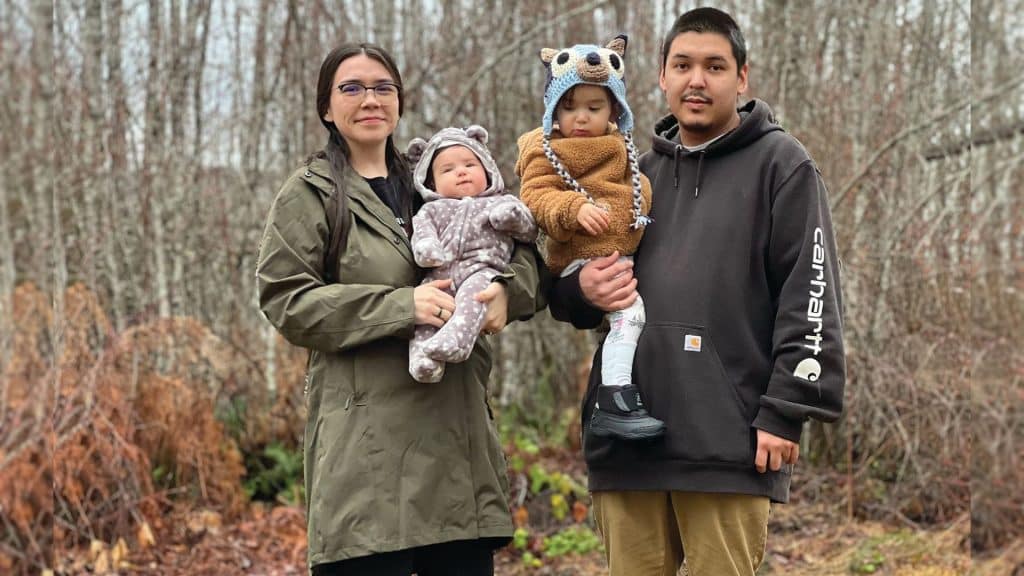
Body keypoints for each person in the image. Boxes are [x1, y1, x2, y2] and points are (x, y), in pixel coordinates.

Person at [548, 8, 846, 576]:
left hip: (727, 445)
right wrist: (581, 287)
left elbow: (811, 297)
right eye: (682, 65)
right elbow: (566, 284)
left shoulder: (782, 166)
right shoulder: (631, 172)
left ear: (742, 78)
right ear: (661, 76)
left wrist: (785, 411)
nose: (697, 80)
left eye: (714, 66)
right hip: (626, 441)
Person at [255, 42, 545, 576]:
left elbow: (525, 252)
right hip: (365, 465)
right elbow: (285, 299)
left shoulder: (436, 177)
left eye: (383, 87)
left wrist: (507, 290)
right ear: (326, 107)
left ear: (399, 101)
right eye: (352, 88)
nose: (370, 99)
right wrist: (398, 306)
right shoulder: (312, 193)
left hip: (455, 455)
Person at [516, 35, 664, 441]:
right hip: (585, 255)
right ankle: (614, 397)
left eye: (593, 108)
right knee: (630, 316)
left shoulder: (623, 147)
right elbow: (536, 196)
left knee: (623, 325)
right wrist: (573, 209)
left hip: (620, 253)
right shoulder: (546, 149)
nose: (580, 118)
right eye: (568, 107)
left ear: (615, 110)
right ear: (552, 110)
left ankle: (620, 394)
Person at [406, 125, 537, 383]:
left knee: (475, 296)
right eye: (448, 169)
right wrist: (427, 248)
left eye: (470, 164)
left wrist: (510, 217)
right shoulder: (432, 210)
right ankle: (423, 358)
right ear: (431, 183)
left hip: (482, 269)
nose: (461, 172)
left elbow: (529, 229)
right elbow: (423, 231)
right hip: (440, 276)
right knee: (424, 312)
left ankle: (457, 339)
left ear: (487, 170)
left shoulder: (498, 201)